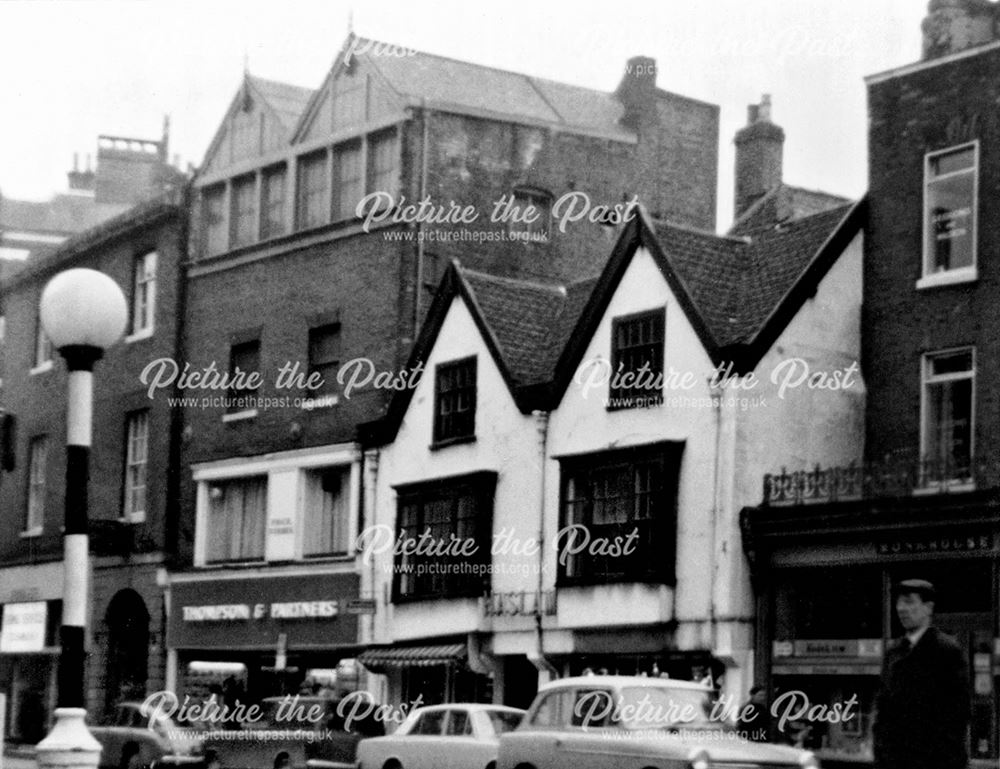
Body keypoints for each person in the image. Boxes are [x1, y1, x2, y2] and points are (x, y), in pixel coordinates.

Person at [873, 579, 970, 769]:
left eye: (909, 602)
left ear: (928, 608)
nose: (901, 609)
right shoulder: (894, 651)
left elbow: (958, 715)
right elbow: (883, 709)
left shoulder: (946, 651)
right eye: (899, 602)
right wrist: (881, 754)